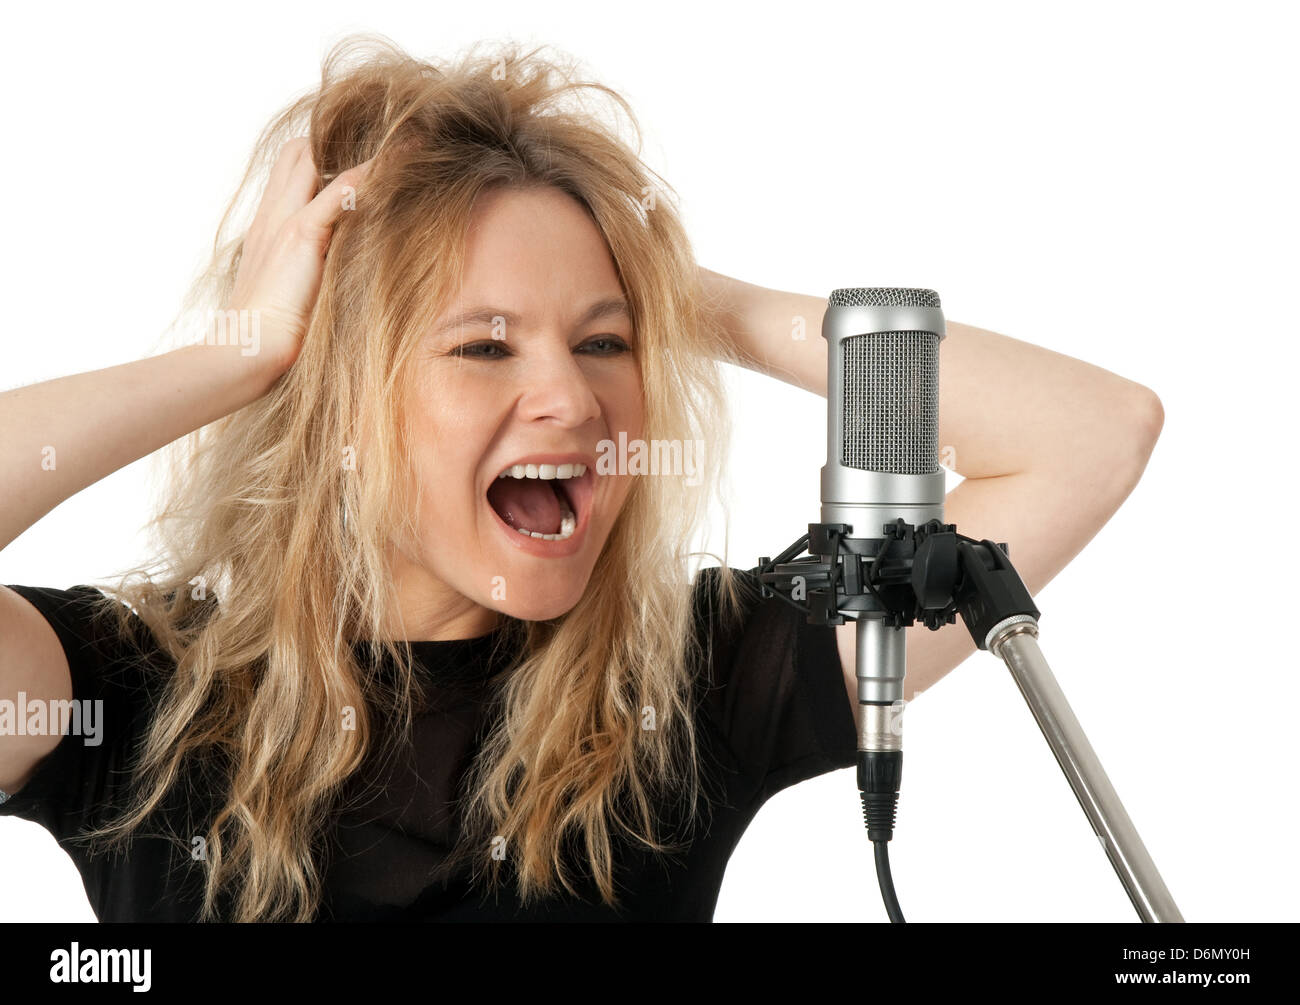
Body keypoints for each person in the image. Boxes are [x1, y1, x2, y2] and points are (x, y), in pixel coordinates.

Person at [0, 34, 1164, 922]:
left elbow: (1092, 433)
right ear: (334, 403)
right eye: (484, 344)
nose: (573, 397)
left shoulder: (690, 683)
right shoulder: (136, 695)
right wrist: (238, 354)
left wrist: (673, 288)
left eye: (606, 344)